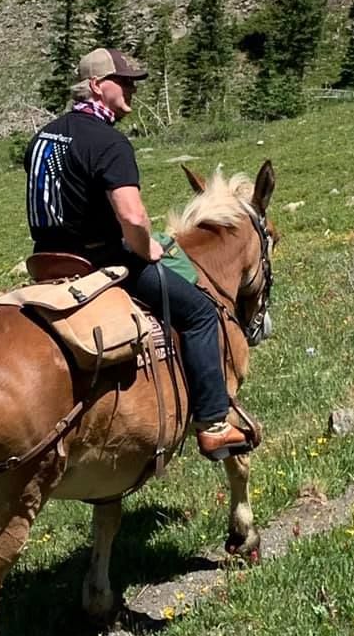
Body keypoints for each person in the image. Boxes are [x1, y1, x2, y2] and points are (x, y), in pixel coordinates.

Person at [23, 48, 254, 459]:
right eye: (123, 81)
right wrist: (145, 246)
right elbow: (131, 214)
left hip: (47, 259)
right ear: (97, 85)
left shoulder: (43, 136)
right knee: (201, 314)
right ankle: (215, 423)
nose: (132, 88)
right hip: (100, 262)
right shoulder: (109, 142)